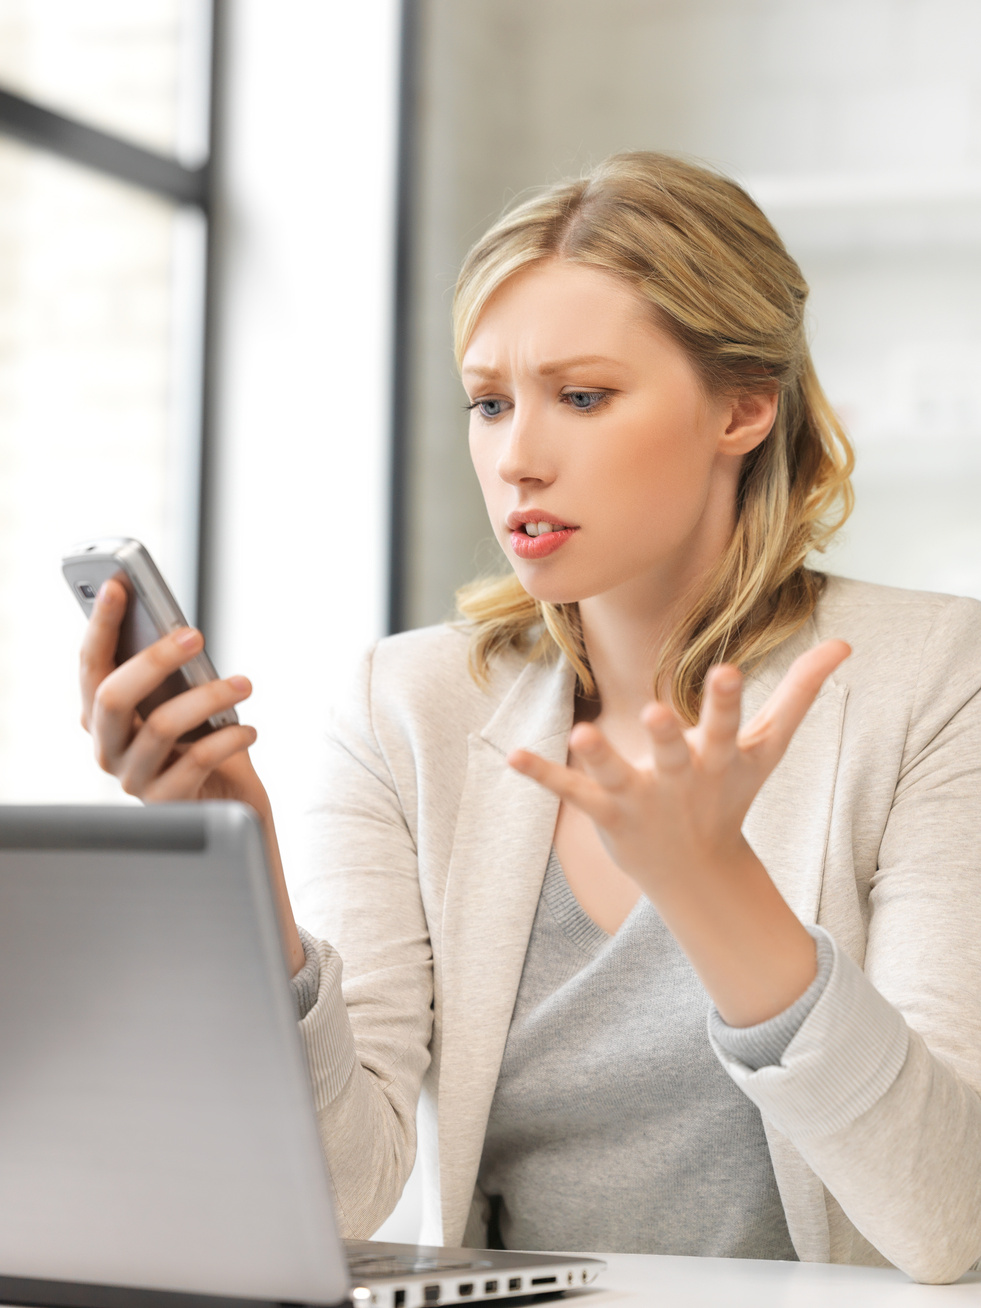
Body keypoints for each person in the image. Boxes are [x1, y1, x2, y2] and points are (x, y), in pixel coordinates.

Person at [78, 152, 981, 1283]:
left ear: (744, 407)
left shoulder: (938, 677)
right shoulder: (407, 706)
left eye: (583, 397)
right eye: (490, 403)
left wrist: (712, 884)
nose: (516, 459)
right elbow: (340, 1191)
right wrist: (234, 855)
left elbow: (947, 1216)